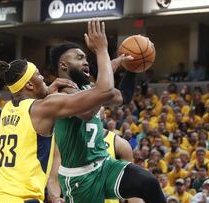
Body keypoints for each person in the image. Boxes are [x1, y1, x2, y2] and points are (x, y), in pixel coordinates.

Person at [0, 19, 118, 203]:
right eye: (40, 76)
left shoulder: (8, 108)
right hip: (22, 198)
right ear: (30, 84)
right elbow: (105, 91)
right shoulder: (43, 108)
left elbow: (28, 98)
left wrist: (47, 90)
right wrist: (102, 51)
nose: (45, 78)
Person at [48, 26, 165, 203]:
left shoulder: (88, 89)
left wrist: (132, 68)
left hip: (105, 166)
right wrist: (102, 51)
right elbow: (88, 110)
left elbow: (122, 96)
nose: (86, 62)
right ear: (63, 65)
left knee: (149, 183)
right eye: (79, 58)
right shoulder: (61, 94)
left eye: (86, 58)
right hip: (80, 179)